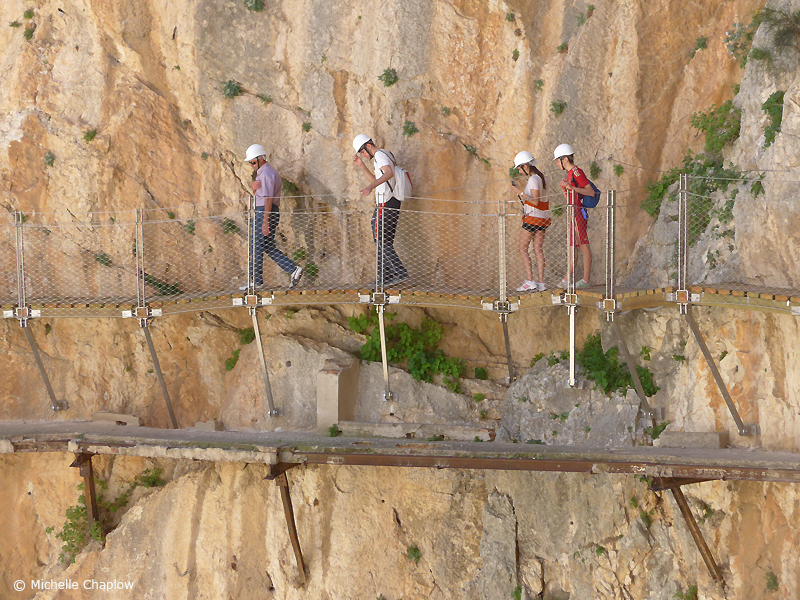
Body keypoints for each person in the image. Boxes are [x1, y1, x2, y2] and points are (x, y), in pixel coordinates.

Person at [243, 144, 302, 289]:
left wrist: (265, 222)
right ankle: (293, 270)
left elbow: (268, 198)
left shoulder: (267, 173)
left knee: (255, 245)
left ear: (261, 158)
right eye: (250, 163)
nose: (251, 165)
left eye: (253, 162)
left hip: (265, 212)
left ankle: (256, 282)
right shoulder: (263, 173)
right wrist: (254, 189)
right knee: (268, 247)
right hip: (266, 211)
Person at [352, 134, 408, 286]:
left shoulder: (379, 156)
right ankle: (385, 276)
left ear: (368, 146)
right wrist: (362, 166)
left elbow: (388, 173)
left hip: (386, 202)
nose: (363, 155)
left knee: (379, 238)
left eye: (362, 152)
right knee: (383, 240)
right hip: (392, 201)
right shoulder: (385, 154)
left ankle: (398, 272)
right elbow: (377, 179)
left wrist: (370, 188)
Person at [511, 151, 550, 292]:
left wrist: (520, 192)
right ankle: (541, 282)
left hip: (532, 218)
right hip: (543, 219)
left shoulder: (533, 180)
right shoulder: (541, 177)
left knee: (522, 249)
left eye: (520, 168)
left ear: (525, 166)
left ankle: (530, 280)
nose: (520, 172)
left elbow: (535, 200)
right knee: (538, 249)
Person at [554, 143, 592, 288]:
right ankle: (567, 279)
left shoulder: (577, 172)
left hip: (578, 213)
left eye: (558, 160)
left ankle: (585, 280)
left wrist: (571, 187)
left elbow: (590, 191)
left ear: (564, 160)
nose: (557, 164)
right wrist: (564, 190)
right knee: (573, 246)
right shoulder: (570, 174)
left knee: (583, 245)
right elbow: (570, 199)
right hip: (573, 212)